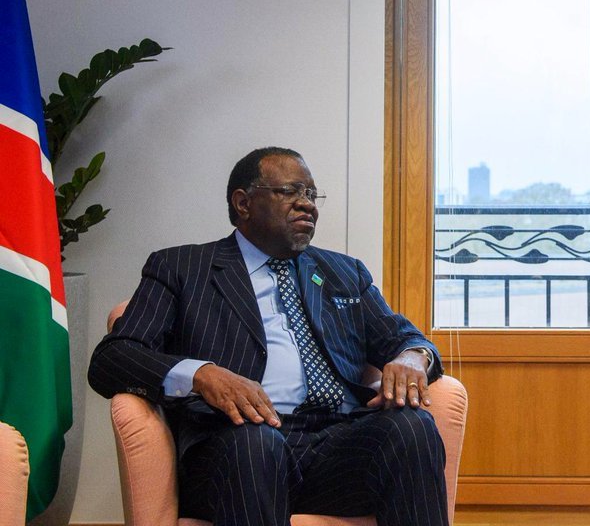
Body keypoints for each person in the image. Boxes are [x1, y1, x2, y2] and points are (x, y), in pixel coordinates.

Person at [89, 147, 448, 526]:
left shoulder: (343, 272)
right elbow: (113, 357)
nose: (306, 205)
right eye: (290, 191)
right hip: (236, 445)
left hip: (336, 445)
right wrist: (202, 374)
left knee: (412, 427)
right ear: (243, 203)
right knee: (256, 443)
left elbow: (402, 337)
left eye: (311, 194)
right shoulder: (181, 268)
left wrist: (413, 356)